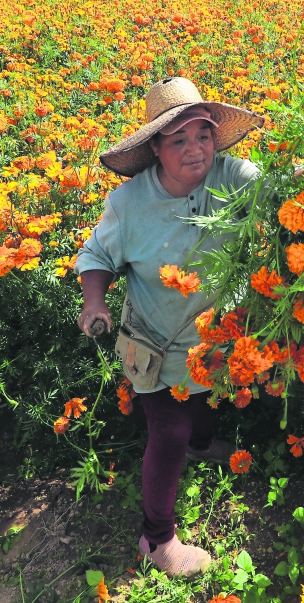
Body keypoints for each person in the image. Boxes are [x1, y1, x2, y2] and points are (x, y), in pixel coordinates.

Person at [76, 76, 262, 578]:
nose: (195, 149)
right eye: (178, 140)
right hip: (154, 344)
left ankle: (202, 447)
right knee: (170, 431)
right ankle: (155, 540)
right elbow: (96, 256)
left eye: (202, 134)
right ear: (155, 147)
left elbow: (287, 192)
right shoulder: (129, 204)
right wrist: (95, 302)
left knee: (203, 403)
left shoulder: (235, 177)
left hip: (215, 336)